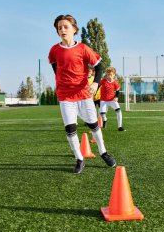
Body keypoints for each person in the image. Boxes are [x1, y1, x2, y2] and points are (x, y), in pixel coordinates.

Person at [48, 14, 116, 174]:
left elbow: (100, 67)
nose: (62, 30)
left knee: (93, 125)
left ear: (74, 30)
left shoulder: (83, 48)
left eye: (66, 27)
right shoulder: (54, 51)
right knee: (70, 129)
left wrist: (94, 83)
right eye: (59, 28)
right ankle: (79, 159)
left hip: (83, 94)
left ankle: (103, 152)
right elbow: (56, 70)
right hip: (65, 96)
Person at [100, 66, 126, 131]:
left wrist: (116, 97)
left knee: (118, 111)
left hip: (112, 100)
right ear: (106, 74)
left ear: (114, 74)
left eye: (111, 74)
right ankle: (105, 120)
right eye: (108, 74)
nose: (109, 76)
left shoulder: (115, 82)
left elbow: (117, 90)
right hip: (103, 100)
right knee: (102, 114)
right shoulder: (103, 81)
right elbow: (97, 86)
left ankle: (120, 127)